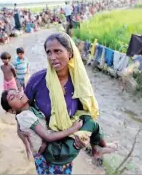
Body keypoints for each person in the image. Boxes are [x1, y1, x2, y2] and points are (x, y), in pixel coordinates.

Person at [17, 32, 118, 174]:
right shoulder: (37, 80)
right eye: (49, 52)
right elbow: (22, 111)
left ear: (70, 53)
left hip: (68, 142)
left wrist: (83, 136)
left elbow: (85, 113)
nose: (52, 57)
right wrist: (21, 132)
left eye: (58, 51)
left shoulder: (79, 81)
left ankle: (97, 148)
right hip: (44, 145)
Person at [1, 89, 118, 163]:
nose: (17, 94)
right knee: (91, 123)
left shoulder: (29, 108)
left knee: (86, 119)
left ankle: (98, 147)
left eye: (17, 91)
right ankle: (98, 148)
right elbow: (47, 137)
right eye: (12, 97)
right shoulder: (25, 115)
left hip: (55, 147)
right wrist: (73, 129)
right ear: (11, 110)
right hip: (59, 151)